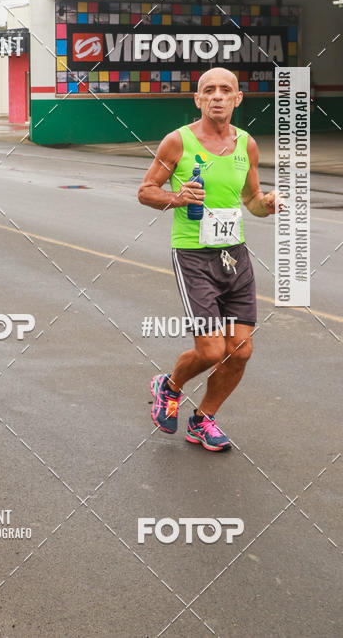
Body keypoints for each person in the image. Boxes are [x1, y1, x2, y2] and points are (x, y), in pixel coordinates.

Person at [138, 67, 280, 451]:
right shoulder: (178, 143)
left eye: (226, 90)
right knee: (211, 350)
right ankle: (169, 386)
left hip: (235, 256)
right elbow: (146, 190)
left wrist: (266, 204)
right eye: (209, 90)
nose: (217, 96)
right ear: (198, 99)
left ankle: (203, 420)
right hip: (194, 256)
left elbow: (251, 200)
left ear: (238, 99)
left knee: (241, 350)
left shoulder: (246, 144)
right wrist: (176, 197)